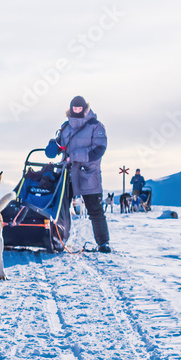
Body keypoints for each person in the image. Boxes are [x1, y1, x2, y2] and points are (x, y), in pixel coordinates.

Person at [56, 95, 111, 253]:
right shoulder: (66, 127)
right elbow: (60, 147)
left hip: (89, 174)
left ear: (85, 108)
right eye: (75, 108)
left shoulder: (96, 126)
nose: (78, 111)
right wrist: (53, 146)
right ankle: (58, 238)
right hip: (67, 173)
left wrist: (74, 156)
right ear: (71, 108)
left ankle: (103, 242)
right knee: (61, 208)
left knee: (95, 209)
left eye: (80, 108)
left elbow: (99, 150)